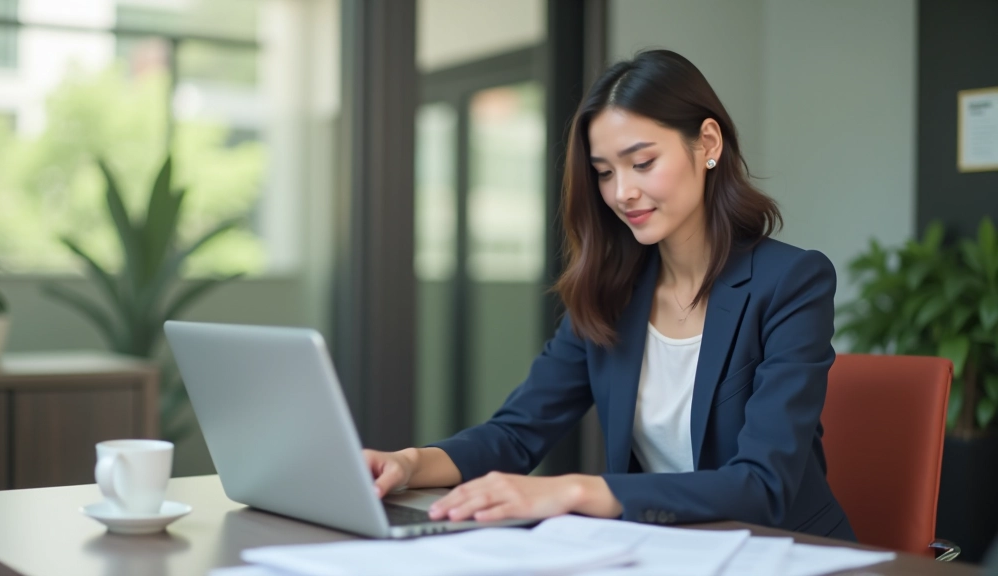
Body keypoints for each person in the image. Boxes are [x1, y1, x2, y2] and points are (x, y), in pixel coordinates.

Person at [364, 49, 856, 540]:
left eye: (642, 162)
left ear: (707, 143)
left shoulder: (791, 281)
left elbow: (762, 486)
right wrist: (407, 463)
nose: (622, 192)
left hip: (785, 553)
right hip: (665, 551)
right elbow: (515, 434)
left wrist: (580, 492)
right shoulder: (610, 292)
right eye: (604, 172)